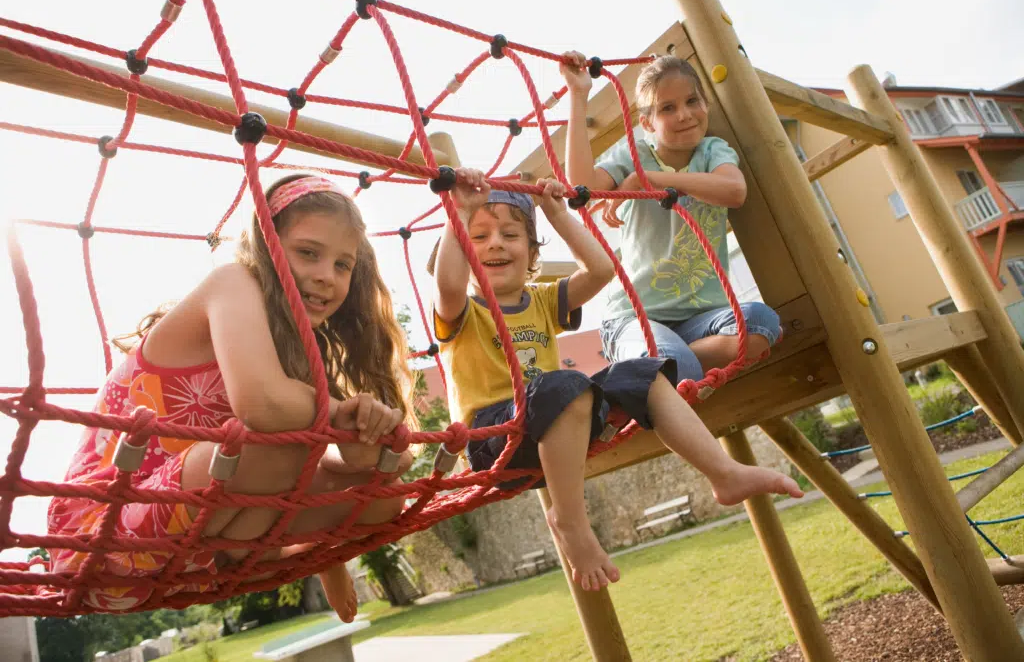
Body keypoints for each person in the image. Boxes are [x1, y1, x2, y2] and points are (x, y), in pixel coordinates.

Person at [47, 174, 416, 620]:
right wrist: (344, 416)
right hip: (100, 540)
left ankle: (303, 554)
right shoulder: (231, 283)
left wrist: (370, 446)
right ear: (265, 245)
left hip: (194, 560)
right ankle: (278, 553)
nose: (326, 276)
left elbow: (342, 459)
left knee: (384, 496)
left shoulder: (301, 350)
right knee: (285, 442)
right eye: (307, 253)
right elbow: (263, 406)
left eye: (343, 265)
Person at [430, 170, 802, 592]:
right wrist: (457, 212)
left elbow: (603, 269)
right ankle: (570, 519)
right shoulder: (460, 309)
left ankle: (722, 472)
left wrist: (557, 214)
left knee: (641, 372)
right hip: (493, 440)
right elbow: (448, 282)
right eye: (478, 237)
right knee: (565, 384)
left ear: (531, 252)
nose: (495, 242)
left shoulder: (545, 300)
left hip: (557, 422)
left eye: (510, 234)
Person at [560, 51, 782, 382]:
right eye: (668, 108)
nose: (685, 115)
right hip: (636, 316)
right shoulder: (635, 154)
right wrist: (578, 95)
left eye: (693, 101)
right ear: (647, 123)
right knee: (675, 361)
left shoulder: (712, 151)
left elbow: (734, 191)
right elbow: (581, 187)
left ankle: (652, 366)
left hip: (703, 318)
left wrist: (653, 181)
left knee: (762, 324)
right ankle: (653, 362)